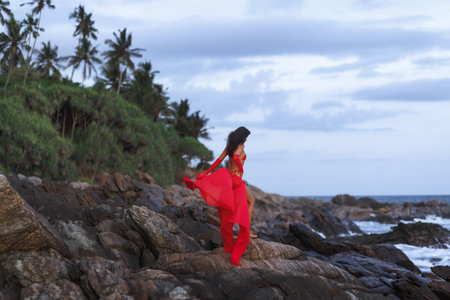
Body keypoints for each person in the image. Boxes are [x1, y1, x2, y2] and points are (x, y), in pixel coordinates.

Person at [183, 126, 256, 266]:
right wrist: (240, 168)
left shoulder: (230, 145)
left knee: (227, 209)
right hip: (237, 180)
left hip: (229, 179)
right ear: (243, 136)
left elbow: (218, 160)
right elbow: (236, 157)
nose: (247, 139)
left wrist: (207, 173)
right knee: (251, 202)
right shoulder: (240, 145)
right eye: (247, 136)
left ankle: (229, 246)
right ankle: (247, 232)